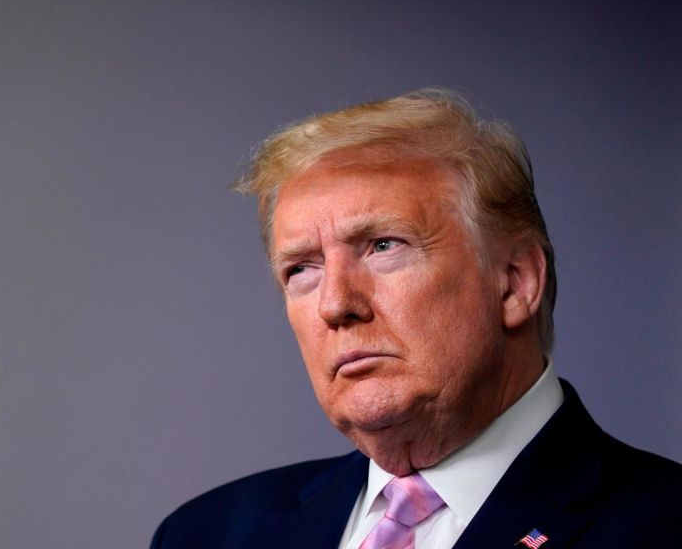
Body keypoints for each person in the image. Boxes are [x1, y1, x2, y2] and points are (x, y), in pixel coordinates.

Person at [151, 89, 680, 548]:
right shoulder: (208, 534)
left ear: (516, 282)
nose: (336, 304)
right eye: (301, 269)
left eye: (383, 245)